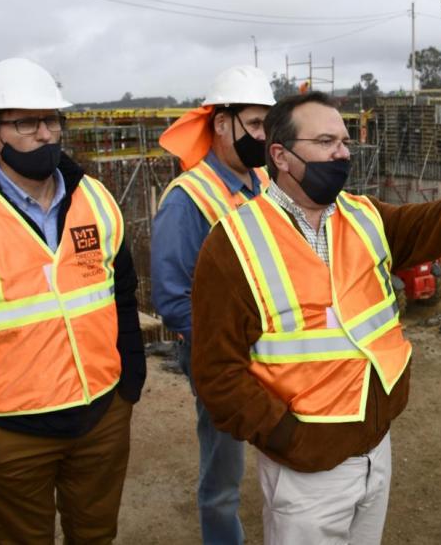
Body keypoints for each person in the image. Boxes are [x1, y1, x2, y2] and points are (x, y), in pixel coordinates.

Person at [190, 91, 441, 544]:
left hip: (376, 447)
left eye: (343, 141)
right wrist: (287, 436)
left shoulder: (363, 216)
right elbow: (217, 372)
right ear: (280, 155)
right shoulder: (233, 244)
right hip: (305, 471)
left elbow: (434, 222)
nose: (342, 152)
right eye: (325, 141)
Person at [0, 58, 145, 542]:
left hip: (101, 418)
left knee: (95, 535)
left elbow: (122, 299)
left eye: (51, 119)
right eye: (26, 123)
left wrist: (129, 383)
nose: (45, 134)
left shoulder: (95, 199)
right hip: (10, 435)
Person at [151, 64, 275, 544]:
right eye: (256, 124)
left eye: (268, 124)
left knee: (281, 453)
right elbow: (171, 294)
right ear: (222, 124)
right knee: (224, 470)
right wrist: (219, 353)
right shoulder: (187, 200)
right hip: (220, 357)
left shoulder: (265, 183)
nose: (264, 136)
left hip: (274, 344)